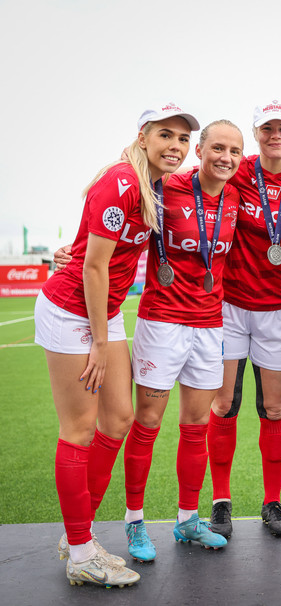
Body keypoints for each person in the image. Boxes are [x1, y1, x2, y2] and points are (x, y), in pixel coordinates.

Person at [34, 103, 198, 587]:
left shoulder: (155, 184)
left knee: (119, 419)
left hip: (101, 312)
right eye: (165, 135)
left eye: (183, 138)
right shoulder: (122, 180)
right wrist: (100, 343)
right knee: (80, 429)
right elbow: (92, 266)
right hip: (73, 311)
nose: (176, 145)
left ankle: (77, 534)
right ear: (143, 136)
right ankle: (82, 552)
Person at [122, 120, 244, 561]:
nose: (225, 158)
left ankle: (188, 519)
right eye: (217, 148)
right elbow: (115, 221)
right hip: (162, 322)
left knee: (195, 427)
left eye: (234, 151)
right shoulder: (163, 186)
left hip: (211, 326)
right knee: (148, 422)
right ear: (199, 150)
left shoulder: (235, 194)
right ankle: (134, 521)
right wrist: (70, 254)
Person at [207, 100, 281, 539]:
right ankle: (220, 501)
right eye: (267, 129)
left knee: (273, 408)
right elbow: (182, 186)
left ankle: (272, 500)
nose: (276, 136)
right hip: (230, 306)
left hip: (280, 309)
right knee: (224, 404)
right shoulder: (237, 171)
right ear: (256, 133)